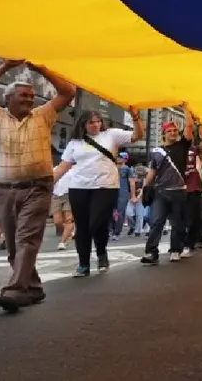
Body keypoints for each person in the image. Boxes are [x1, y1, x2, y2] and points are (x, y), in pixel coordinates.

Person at [0, 59, 75, 313]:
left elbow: (68, 92)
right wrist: (5, 67)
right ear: (8, 99)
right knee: (13, 245)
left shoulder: (43, 115)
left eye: (31, 95)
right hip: (5, 189)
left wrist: (41, 68)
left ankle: (15, 289)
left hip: (38, 187)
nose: (30, 99)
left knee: (27, 238)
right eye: (24, 95)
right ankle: (34, 288)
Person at [52, 108, 143, 277]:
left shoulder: (111, 135)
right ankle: (83, 264)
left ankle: (101, 253)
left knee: (97, 223)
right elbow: (63, 167)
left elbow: (137, 136)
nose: (96, 125)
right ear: (83, 124)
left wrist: (136, 117)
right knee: (83, 228)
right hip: (79, 188)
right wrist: (47, 185)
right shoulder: (74, 143)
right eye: (91, 122)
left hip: (106, 187)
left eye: (98, 121)